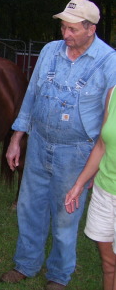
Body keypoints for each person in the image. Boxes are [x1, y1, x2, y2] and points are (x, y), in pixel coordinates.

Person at [0, 0, 116, 290]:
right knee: (29, 207)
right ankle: (26, 263)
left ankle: (59, 275)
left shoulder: (109, 61)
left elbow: (110, 114)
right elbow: (31, 97)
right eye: (63, 27)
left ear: (91, 29)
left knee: (66, 214)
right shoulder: (50, 52)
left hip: (76, 152)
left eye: (72, 29)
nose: (65, 35)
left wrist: (96, 164)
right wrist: (17, 138)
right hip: (39, 143)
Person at [65, 85, 116, 290]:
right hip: (105, 193)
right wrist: (79, 183)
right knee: (109, 264)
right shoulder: (113, 94)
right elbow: (102, 145)